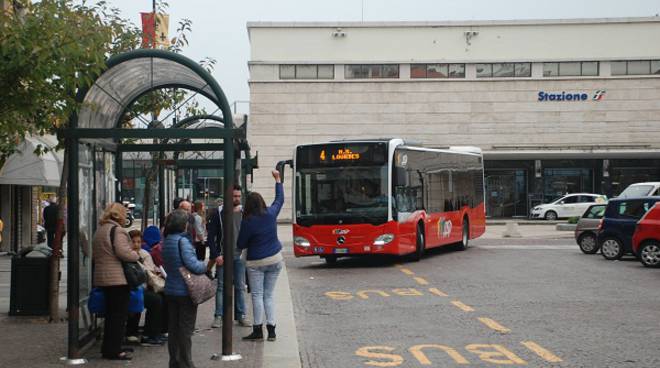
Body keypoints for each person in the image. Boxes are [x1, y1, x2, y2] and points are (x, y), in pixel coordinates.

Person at [238, 170, 284, 342]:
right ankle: (271, 330)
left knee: (257, 295)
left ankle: (258, 330)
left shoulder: (247, 221)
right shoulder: (271, 214)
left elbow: (240, 244)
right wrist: (278, 180)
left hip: (256, 262)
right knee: (269, 295)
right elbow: (279, 200)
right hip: (275, 259)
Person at [92, 203, 140, 360]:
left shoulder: (101, 229)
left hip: (103, 276)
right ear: (119, 215)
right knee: (118, 316)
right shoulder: (117, 230)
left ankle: (111, 346)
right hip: (117, 278)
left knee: (111, 314)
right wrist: (135, 255)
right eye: (125, 213)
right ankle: (114, 350)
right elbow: (123, 252)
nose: (126, 216)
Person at [162, 210, 207, 368]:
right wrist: (206, 265)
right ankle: (186, 363)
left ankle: (174, 362)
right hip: (185, 290)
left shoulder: (167, 240)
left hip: (171, 290)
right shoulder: (182, 241)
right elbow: (193, 265)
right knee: (185, 330)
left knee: (173, 329)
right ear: (183, 224)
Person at [208, 185, 249, 328]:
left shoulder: (245, 212)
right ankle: (218, 316)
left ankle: (241, 315)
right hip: (223, 256)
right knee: (221, 287)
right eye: (234, 196)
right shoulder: (218, 213)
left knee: (239, 286)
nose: (237, 199)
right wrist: (216, 255)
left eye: (238, 196)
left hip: (240, 255)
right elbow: (211, 236)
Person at [126, 230, 166, 346]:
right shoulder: (128, 255)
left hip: (144, 286)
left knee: (162, 297)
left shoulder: (144, 253)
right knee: (155, 300)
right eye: (133, 242)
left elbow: (152, 269)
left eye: (139, 242)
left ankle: (156, 331)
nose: (136, 245)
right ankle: (149, 334)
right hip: (134, 288)